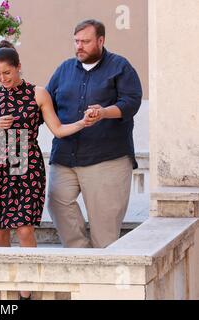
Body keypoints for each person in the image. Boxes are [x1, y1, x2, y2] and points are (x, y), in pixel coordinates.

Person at [0, 41, 92, 300]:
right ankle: (9, 283)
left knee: (24, 229)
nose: (3, 78)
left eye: (7, 72)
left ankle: (27, 290)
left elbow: (58, 130)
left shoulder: (38, 94)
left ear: (18, 67)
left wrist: (83, 123)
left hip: (28, 167)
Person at [46, 19, 143, 249]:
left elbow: (131, 102)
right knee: (57, 203)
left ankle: (101, 273)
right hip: (65, 157)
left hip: (107, 159)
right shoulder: (64, 69)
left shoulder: (120, 67)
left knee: (105, 233)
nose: (79, 46)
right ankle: (81, 257)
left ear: (101, 40)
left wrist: (103, 112)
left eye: (86, 42)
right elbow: (46, 103)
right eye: (76, 41)